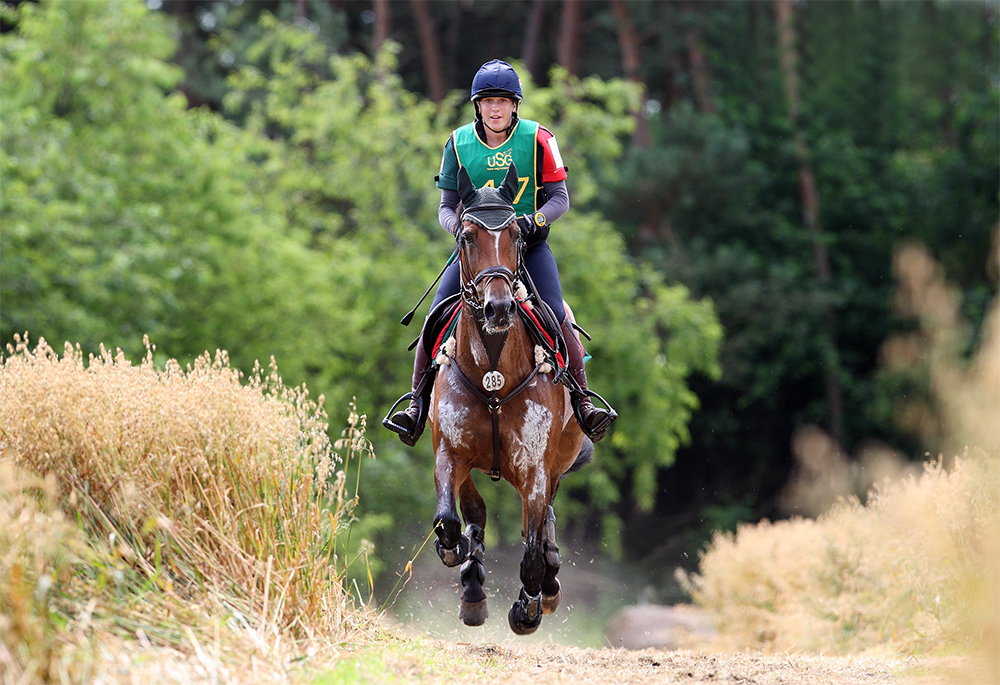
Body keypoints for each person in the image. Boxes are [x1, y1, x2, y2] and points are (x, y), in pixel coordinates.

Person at [385, 59, 616, 446]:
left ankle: (582, 400)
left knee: (557, 314)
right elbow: (446, 205)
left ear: (515, 106)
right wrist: (456, 227)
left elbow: (560, 198)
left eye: (503, 101)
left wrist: (534, 221)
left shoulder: (540, 138)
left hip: (527, 247)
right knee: (433, 318)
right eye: (488, 101)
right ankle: (416, 406)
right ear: (478, 105)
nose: (495, 109)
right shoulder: (457, 143)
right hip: (476, 254)